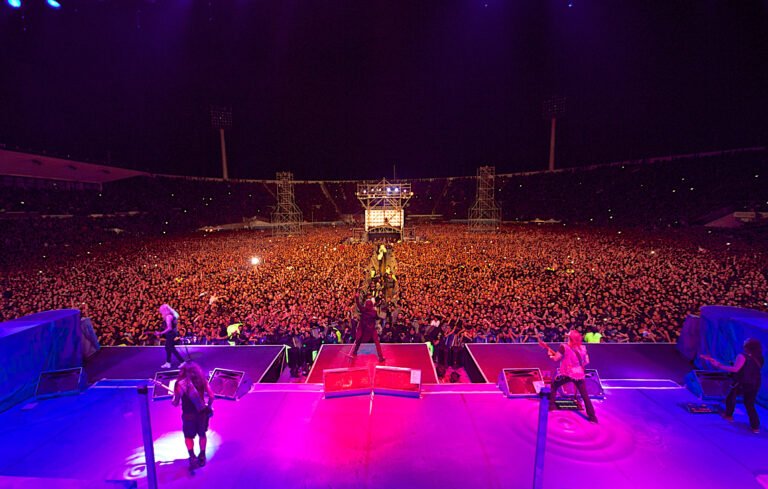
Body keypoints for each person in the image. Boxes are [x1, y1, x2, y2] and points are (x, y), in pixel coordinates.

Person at [705, 338, 763, 434]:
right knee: (750, 404)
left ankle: (729, 415)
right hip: (755, 383)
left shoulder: (742, 356)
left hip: (741, 382)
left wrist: (718, 365)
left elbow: (735, 369)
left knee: (731, 396)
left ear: (747, 346)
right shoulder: (760, 357)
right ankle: (755, 427)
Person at [546, 330, 598, 423]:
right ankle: (592, 417)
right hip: (579, 374)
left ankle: (551, 407)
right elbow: (586, 362)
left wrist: (550, 355)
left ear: (569, 338)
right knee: (585, 396)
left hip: (567, 373)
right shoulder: (583, 348)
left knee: (554, 385)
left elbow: (555, 358)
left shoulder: (564, 347)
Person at [172, 361, 216, 469]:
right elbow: (211, 396)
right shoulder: (202, 380)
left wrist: (174, 400)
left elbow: (176, 402)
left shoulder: (179, 383)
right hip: (201, 413)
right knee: (202, 434)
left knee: (188, 436)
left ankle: (192, 457)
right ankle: (202, 456)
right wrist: (209, 406)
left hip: (188, 414)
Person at [349, 292, 385, 362]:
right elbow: (377, 318)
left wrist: (356, 297)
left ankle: (355, 352)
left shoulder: (363, 310)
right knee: (377, 342)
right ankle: (380, 357)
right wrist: (381, 317)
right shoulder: (374, 312)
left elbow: (358, 304)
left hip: (364, 328)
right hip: (371, 329)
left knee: (358, 340)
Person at [157, 304, 184, 368]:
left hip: (170, 334)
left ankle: (182, 362)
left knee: (171, 348)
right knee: (167, 347)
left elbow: (169, 328)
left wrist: (161, 333)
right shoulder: (172, 315)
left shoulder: (168, 317)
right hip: (172, 333)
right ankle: (168, 362)